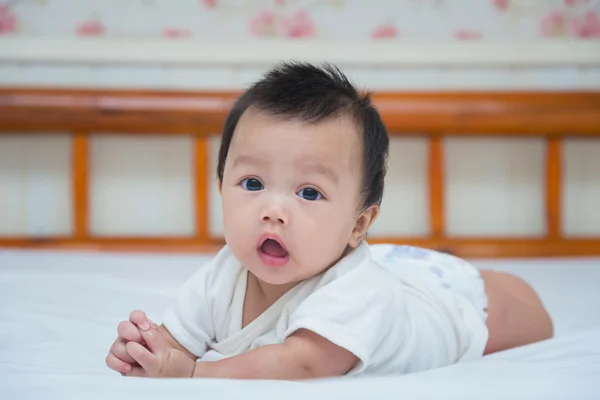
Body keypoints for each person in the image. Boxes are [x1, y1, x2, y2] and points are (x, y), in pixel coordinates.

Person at [105, 62, 553, 379]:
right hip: (392, 274)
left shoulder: (357, 291)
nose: (273, 210)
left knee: (525, 316)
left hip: (434, 307)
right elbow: (178, 340)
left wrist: (194, 376)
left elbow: (299, 362)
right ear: (221, 185)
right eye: (253, 183)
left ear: (358, 225)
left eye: (309, 193)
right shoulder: (222, 275)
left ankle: (492, 284)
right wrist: (147, 351)